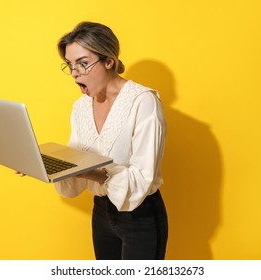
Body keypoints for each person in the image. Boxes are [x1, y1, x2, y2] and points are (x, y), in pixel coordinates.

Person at [24, 21, 168, 259]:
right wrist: (40, 164)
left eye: (82, 64)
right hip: (101, 213)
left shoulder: (144, 102)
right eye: (69, 65)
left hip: (140, 216)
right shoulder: (80, 107)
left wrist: (91, 173)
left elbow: (143, 177)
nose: (74, 73)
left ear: (109, 61)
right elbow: (75, 161)